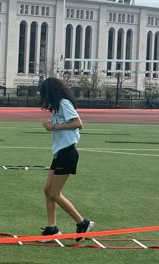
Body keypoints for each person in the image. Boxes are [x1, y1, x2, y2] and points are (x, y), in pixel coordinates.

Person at [38, 77, 94, 242]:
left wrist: (54, 126)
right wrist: (53, 124)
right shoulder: (56, 107)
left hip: (68, 153)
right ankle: (52, 229)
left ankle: (83, 223)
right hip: (60, 153)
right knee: (47, 191)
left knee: (55, 193)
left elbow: (78, 123)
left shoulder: (63, 103)